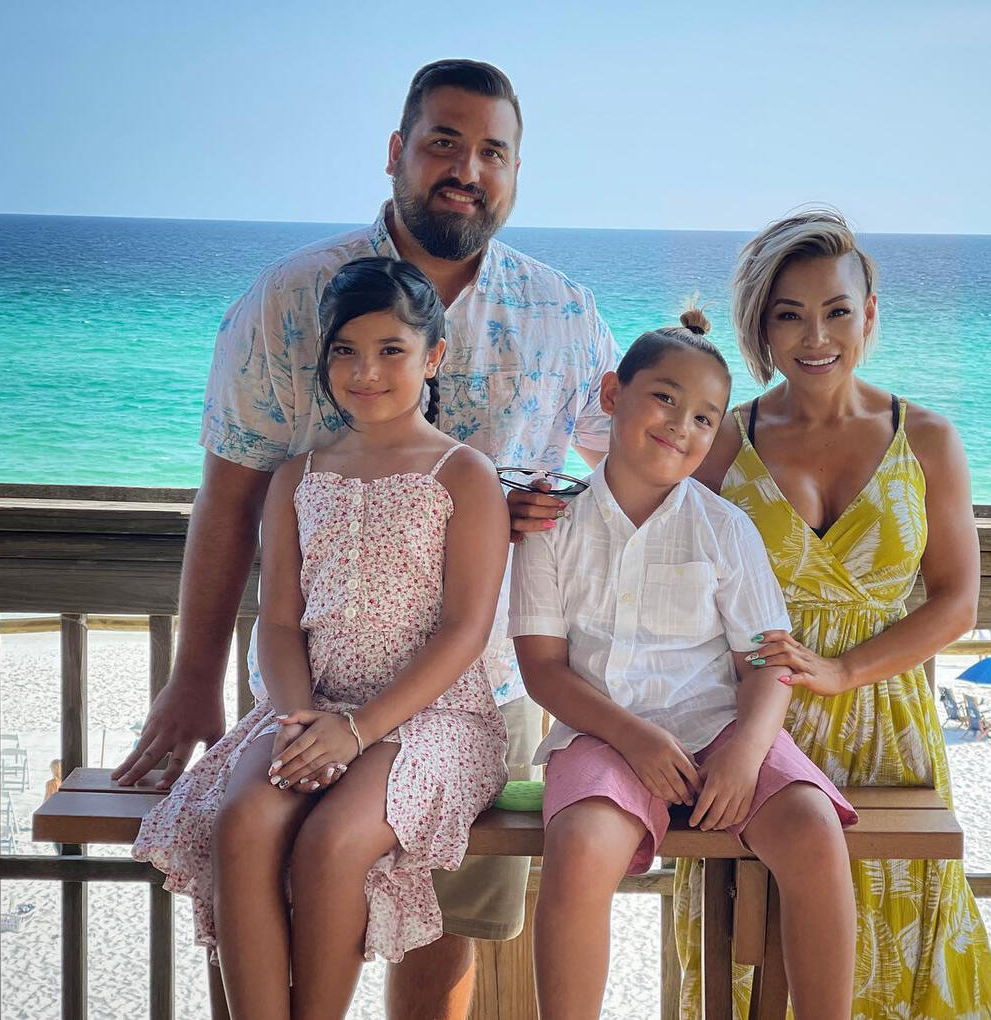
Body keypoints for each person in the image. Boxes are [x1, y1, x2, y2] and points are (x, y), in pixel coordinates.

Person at [111, 59, 618, 1017]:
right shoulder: (290, 296)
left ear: (516, 172)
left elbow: (633, 471)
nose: (467, 169)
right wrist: (190, 681)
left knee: (442, 927)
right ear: (396, 152)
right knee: (254, 849)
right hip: (307, 690)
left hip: (484, 688)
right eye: (443, 143)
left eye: (493, 153)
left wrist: (561, 516)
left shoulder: (566, 314)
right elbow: (228, 499)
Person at [133, 258, 510, 1019]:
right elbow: (277, 620)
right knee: (243, 822)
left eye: (390, 350)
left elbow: (465, 630)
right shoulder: (297, 475)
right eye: (345, 350)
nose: (365, 370)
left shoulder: (464, 475)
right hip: (310, 704)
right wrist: (301, 720)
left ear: (432, 358)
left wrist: (360, 729)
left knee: (333, 844)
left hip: (431, 720)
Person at [680, 209, 991, 1016]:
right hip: (754, 733)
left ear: (869, 315)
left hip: (887, 727)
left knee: (895, 948)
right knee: (748, 960)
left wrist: (843, 669)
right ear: (762, 326)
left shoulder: (925, 438)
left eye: (835, 310)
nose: (814, 335)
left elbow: (957, 600)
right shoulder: (727, 439)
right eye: (788, 314)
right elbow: (655, 556)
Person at [510, 314, 859, 1020]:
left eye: (703, 417)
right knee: (576, 850)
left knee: (814, 829)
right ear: (612, 394)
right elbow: (543, 669)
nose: (681, 426)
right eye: (664, 399)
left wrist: (746, 755)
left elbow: (766, 662)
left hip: (721, 731)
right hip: (602, 735)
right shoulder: (552, 527)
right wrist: (634, 738)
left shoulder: (725, 526)